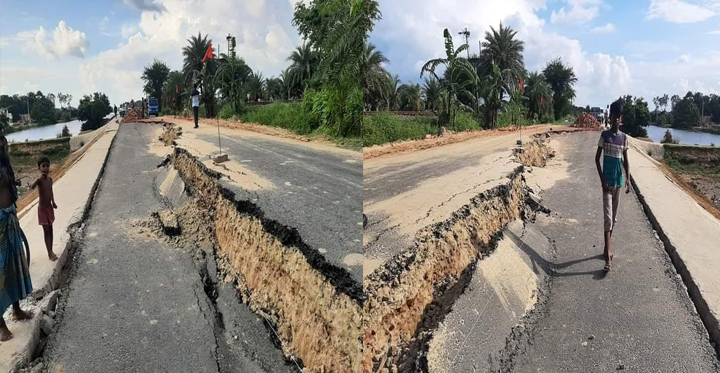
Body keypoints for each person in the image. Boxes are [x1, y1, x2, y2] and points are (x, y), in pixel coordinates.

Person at [0, 135, 33, 342]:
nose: (3, 145)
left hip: (10, 218)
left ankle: (17, 309)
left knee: (14, 266)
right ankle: (1, 325)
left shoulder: (5, 164)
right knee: (1, 272)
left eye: (3, 142)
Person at [595, 99, 631, 272]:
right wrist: (602, 180)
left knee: (613, 219)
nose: (615, 119)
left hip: (618, 183)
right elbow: (596, 159)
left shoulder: (624, 138)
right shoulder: (605, 136)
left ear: (621, 117)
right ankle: (608, 257)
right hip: (607, 184)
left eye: (618, 116)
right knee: (608, 218)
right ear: (610, 117)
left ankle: (605, 249)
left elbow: (626, 162)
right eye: (613, 116)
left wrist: (628, 180)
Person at [31, 156, 58, 262]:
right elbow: (32, 187)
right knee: (46, 231)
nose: (46, 168)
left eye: (47, 166)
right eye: (43, 166)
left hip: (49, 208)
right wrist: (38, 179)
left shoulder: (50, 179)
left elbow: (51, 192)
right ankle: (49, 254)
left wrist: (53, 202)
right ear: (39, 168)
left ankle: (51, 250)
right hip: (42, 209)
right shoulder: (40, 180)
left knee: (51, 230)